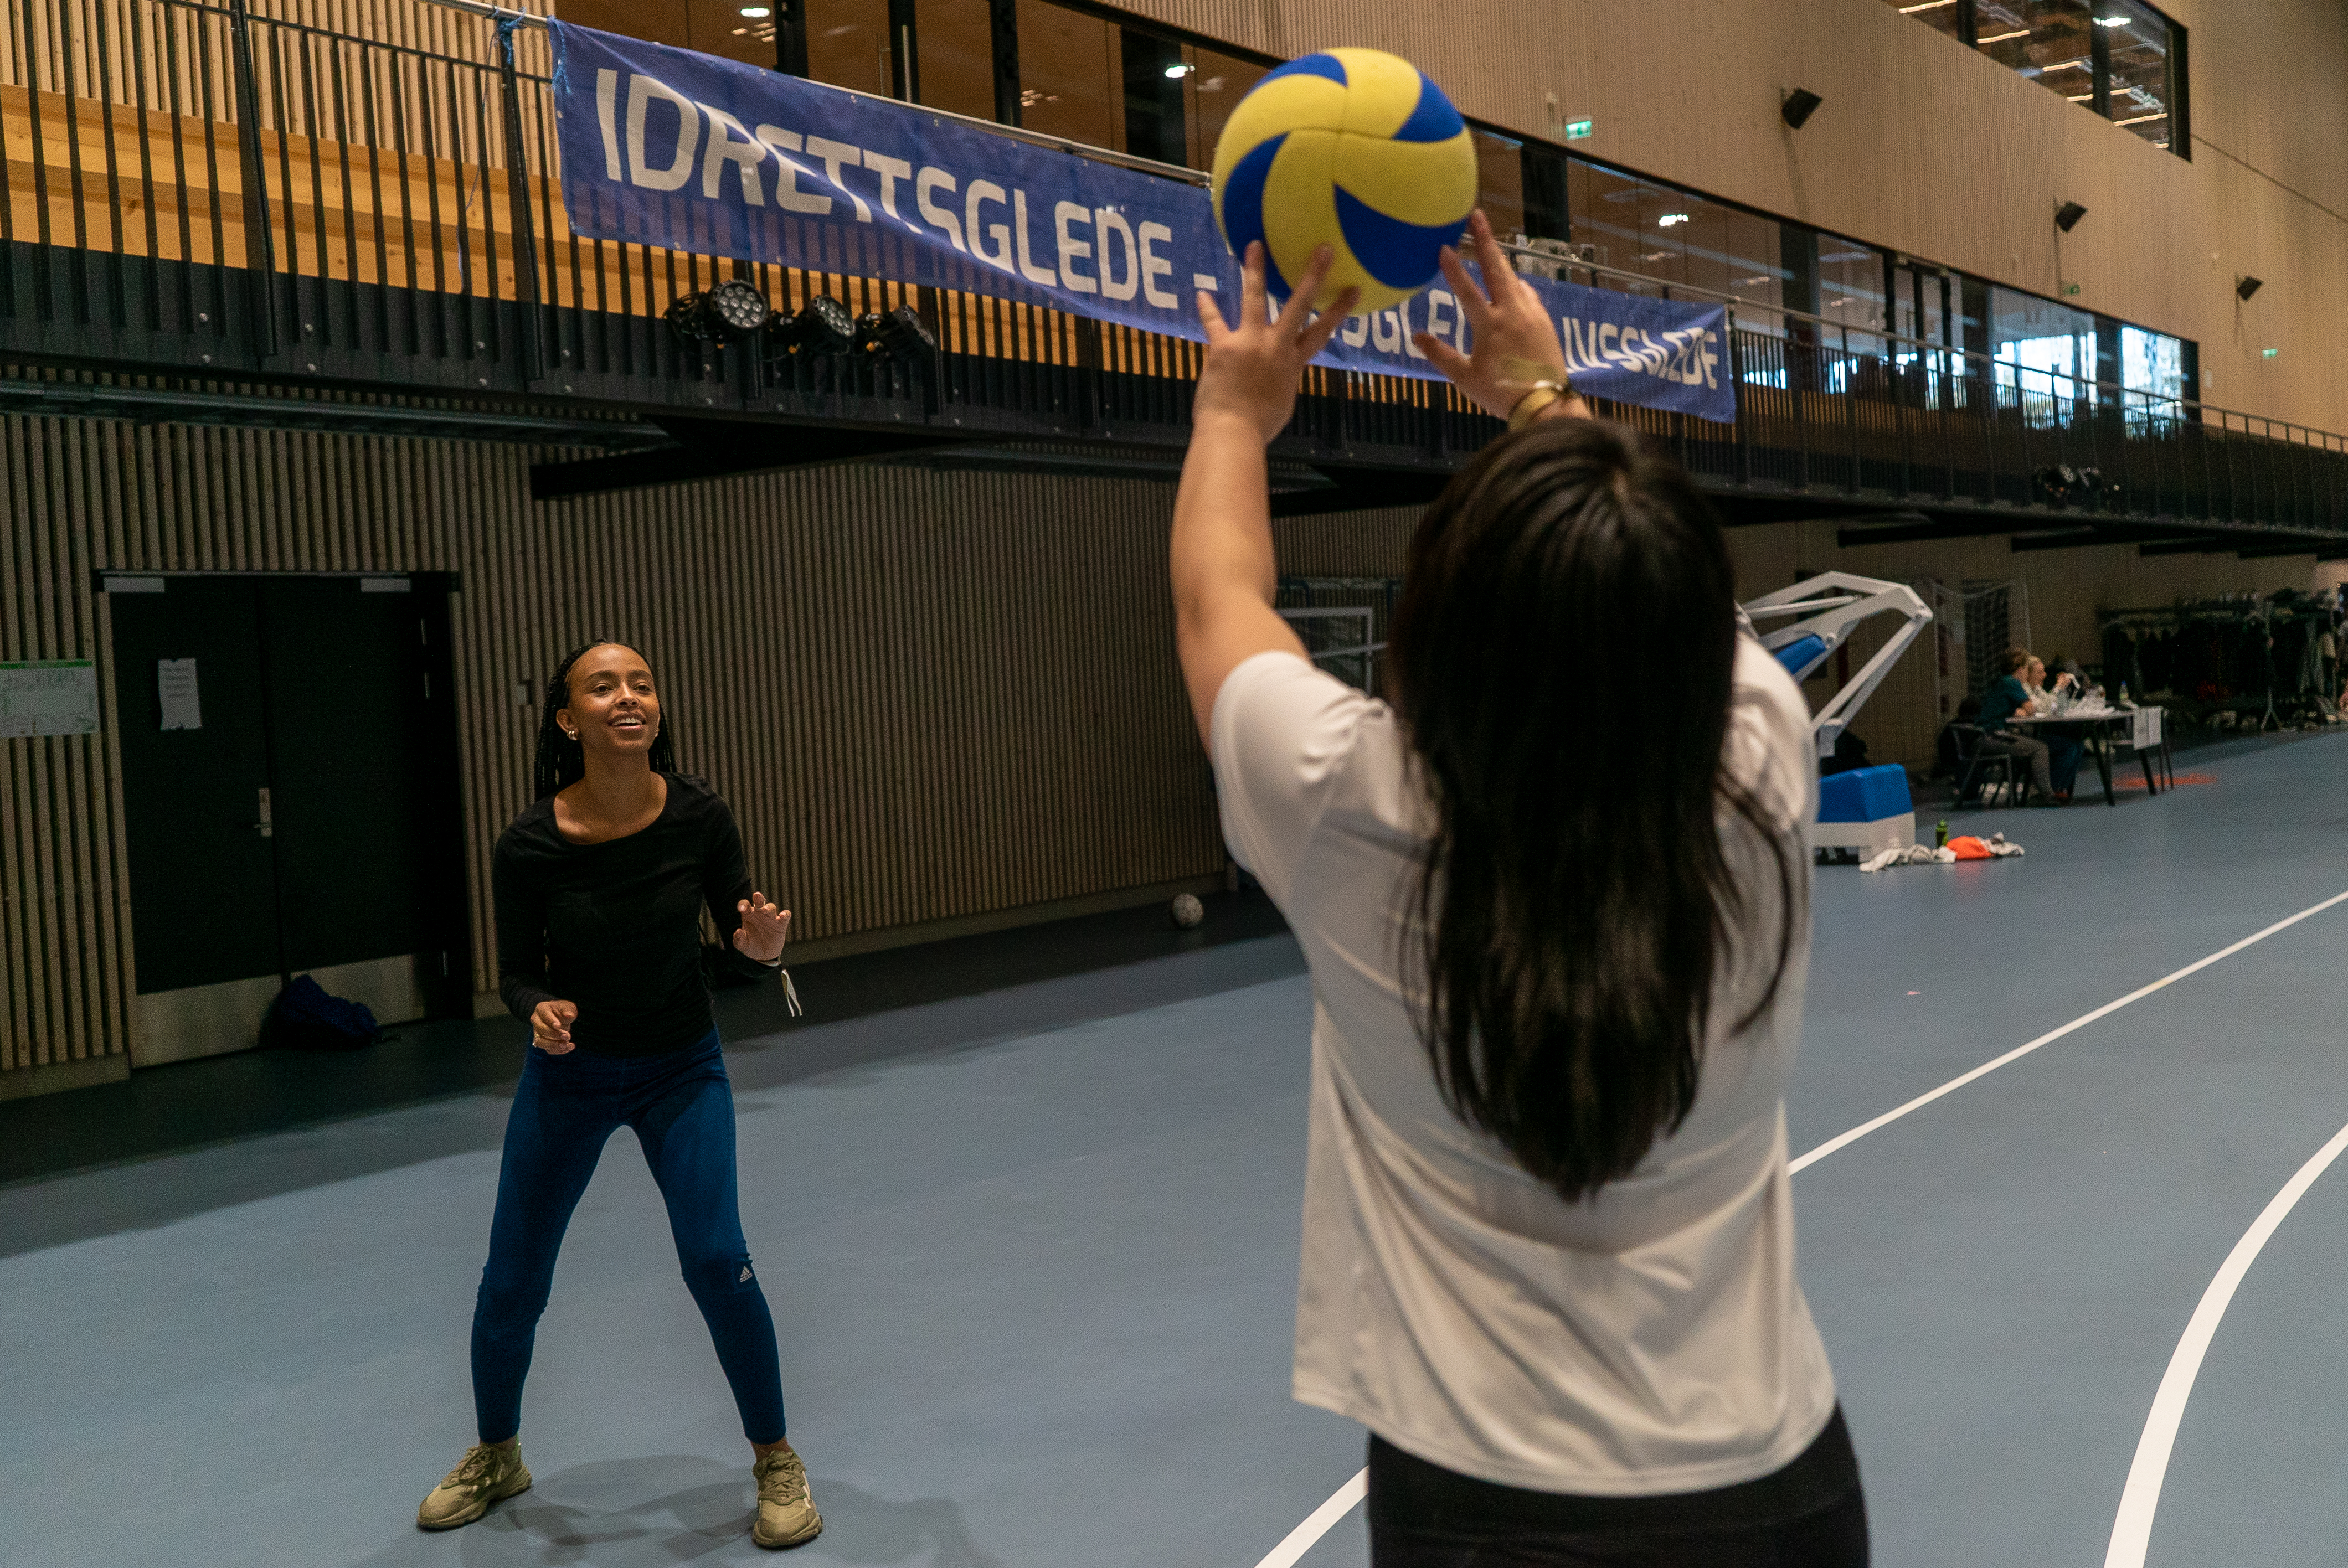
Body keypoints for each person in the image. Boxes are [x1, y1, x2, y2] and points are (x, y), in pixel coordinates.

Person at [1170, 216, 1867, 1564]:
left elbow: (1218, 600)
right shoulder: (1763, 763)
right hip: (1770, 1483)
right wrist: (1539, 397)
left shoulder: (1339, 802)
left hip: (1473, 1503)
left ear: (1427, 633)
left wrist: (1233, 410)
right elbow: (1641, 597)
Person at [414, 639, 821, 1551]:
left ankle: (777, 1460)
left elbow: (733, 955)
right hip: (573, 1075)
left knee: (718, 1260)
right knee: (512, 1281)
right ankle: (497, 1452)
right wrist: (537, 1008)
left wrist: (758, 955)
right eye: (603, 686)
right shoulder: (526, 845)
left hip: (682, 1067)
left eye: (640, 683)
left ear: (657, 711)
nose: (627, 696)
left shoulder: (701, 817)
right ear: (569, 719)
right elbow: (518, 972)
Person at [1976, 648, 2074, 803]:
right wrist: (2023, 710)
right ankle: (2044, 795)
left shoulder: (2002, 681)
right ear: (2021, 670)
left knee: (2044, 744)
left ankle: (2042, 792)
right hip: (1994, 737)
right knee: (2040, 748)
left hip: (1989, 735)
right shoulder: (2012, 683)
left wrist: (2018, 710)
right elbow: (2031, 709)